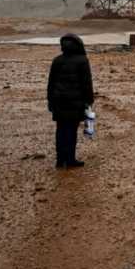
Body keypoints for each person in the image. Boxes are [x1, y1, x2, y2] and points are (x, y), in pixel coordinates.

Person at [47, 33, 95, 168]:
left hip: (58, 102)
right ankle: (70, 159)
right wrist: (89, 100)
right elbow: (87, 83)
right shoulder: (82, 60)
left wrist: (50, 101)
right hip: (75, 102)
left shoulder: (57, 60)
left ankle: (60, 160)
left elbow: (51, 83)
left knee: (60, 130)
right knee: (71, 131)